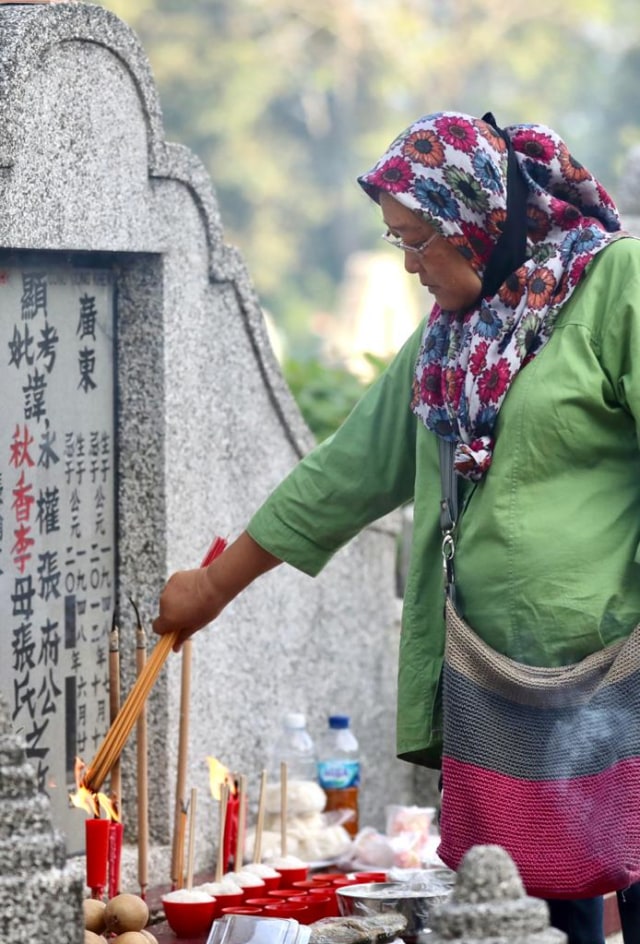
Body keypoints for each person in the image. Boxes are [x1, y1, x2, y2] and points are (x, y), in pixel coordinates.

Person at [153, 111, 640, 944]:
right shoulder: (449, 341)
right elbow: (341, 477)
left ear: (476, 221)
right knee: (519, 907)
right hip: (490, 680)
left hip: (615, 669)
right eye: (396, 243)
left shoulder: (615, 285)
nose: (410, 265)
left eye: (419, 241)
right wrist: (210, 589)